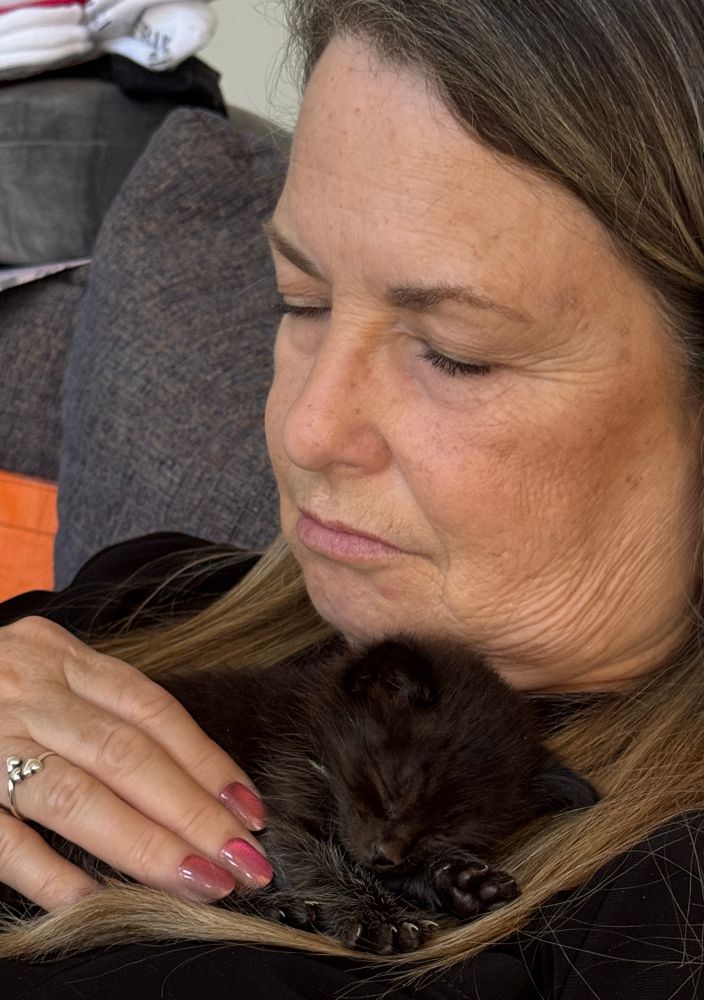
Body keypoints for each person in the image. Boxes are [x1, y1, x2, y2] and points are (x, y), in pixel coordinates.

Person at [1, 1, 704, 997]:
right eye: (300, 300)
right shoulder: (151, 598)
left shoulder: (654, 920)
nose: (305, 429)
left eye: (453, 355)